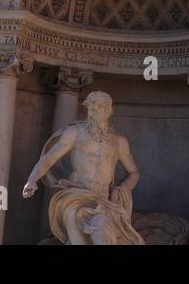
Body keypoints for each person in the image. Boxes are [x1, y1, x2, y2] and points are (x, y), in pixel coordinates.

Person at [23, 91, 144, 244]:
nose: (95, 112)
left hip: (103, 200)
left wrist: (121, 189)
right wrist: (32, 180)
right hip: (74, 197)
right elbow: (48, 159)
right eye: (93, 108)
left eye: (101, 108)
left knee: (101, 231)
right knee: (75, 222)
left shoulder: (119, 142)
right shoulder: (74, 133)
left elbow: (134, 173)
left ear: (109, 111)